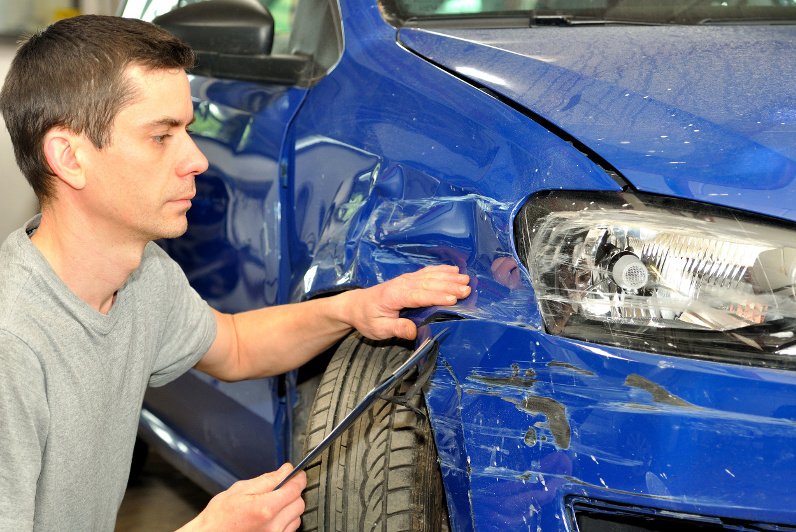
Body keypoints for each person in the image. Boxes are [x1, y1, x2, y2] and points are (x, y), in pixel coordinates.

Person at [0, 15, 471, 531]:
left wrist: (352, 309)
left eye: (188, 131)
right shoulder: (13, 344)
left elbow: (237, 345)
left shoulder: (143, 277)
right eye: (161, 136)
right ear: (69, 157)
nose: (197, 160)